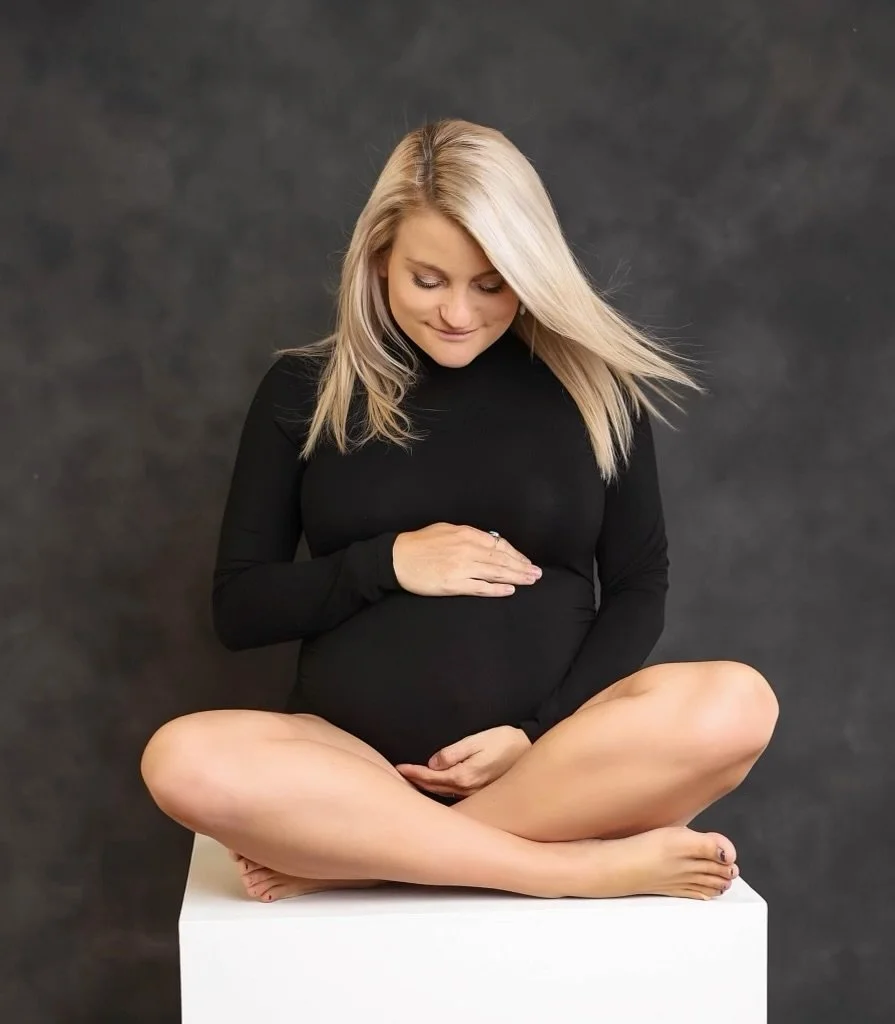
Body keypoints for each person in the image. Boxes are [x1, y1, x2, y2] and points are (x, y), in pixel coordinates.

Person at [140, 118, 779, 903]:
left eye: (490, 283)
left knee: (737, 702)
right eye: (428, 279)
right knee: (180, 758)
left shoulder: (594, 390)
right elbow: (239, 608)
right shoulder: (304, 391)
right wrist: (388, 562)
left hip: (546, 762)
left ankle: (375, 858)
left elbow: (640, 585)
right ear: (379, 262)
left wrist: (534, 734)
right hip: (347, 764)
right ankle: (560, 869)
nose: (458, 313)